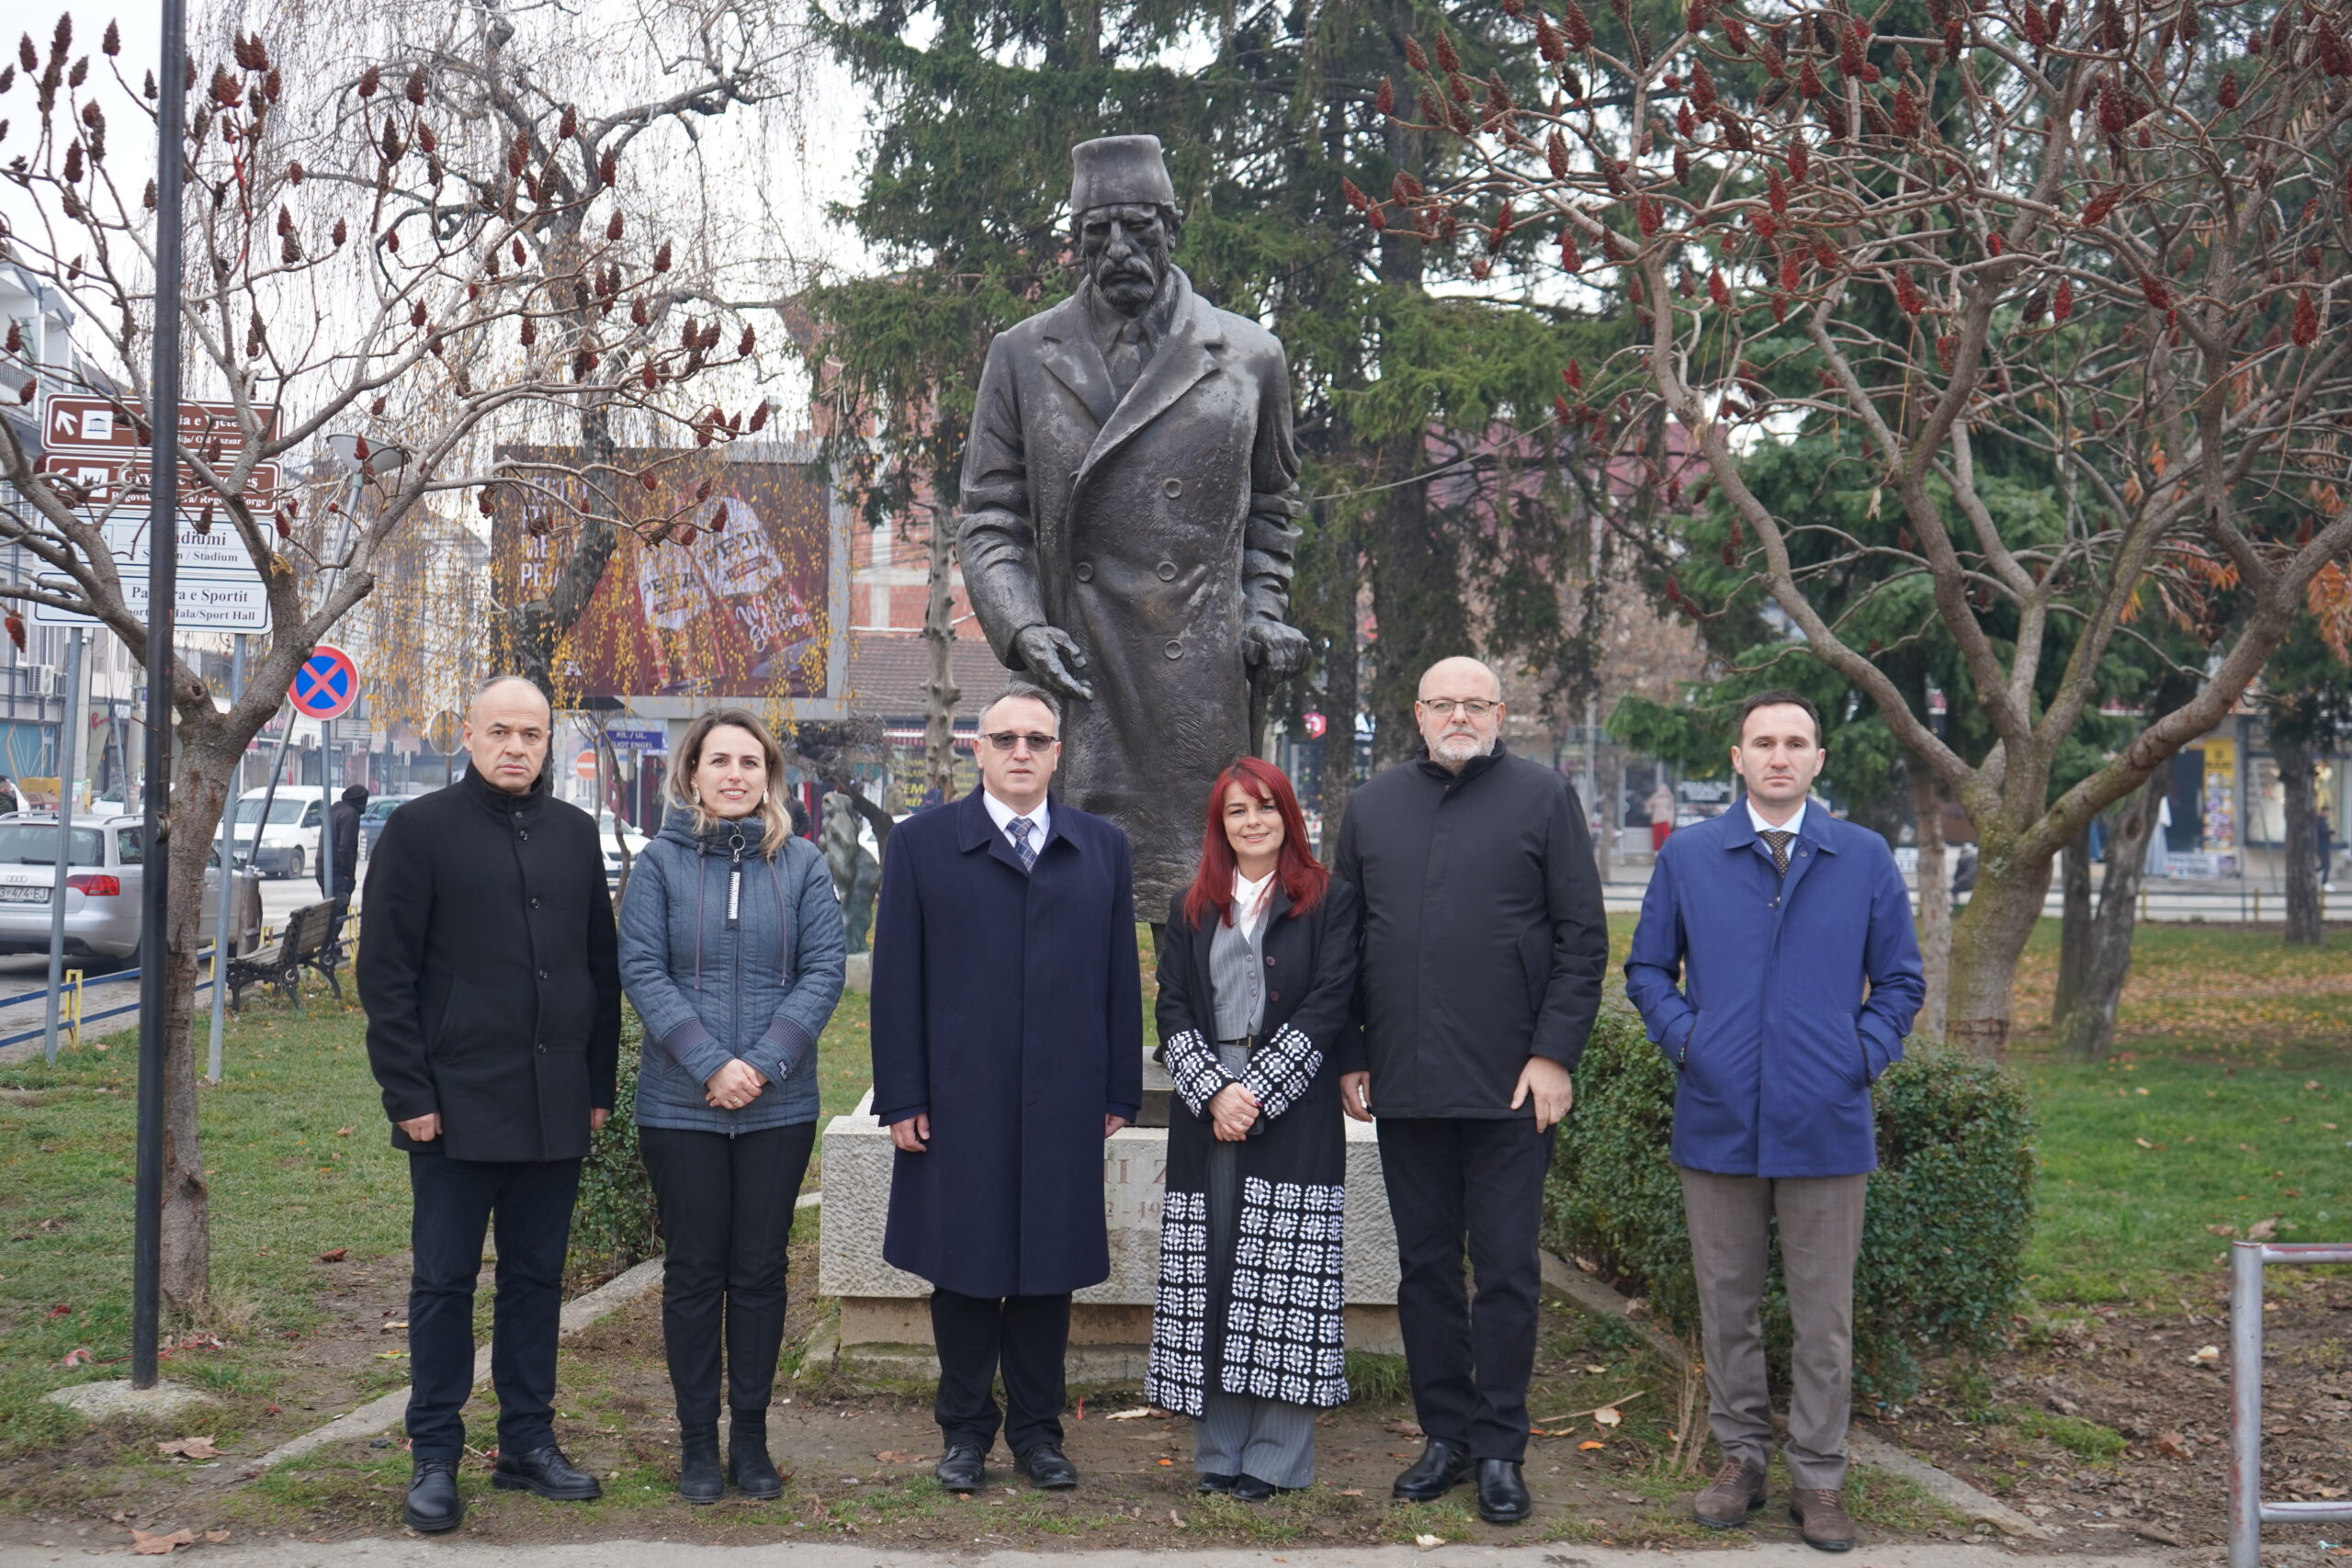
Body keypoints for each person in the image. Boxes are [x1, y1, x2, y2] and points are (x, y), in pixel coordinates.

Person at [957, 133, 1312, 922]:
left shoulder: (1251, 356)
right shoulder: (1021, 356)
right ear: (1076, 245)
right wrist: (1021, 629)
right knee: (1079, 919)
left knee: (1200, 920)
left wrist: (1262, 614)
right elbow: (988, 518)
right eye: (1098, 233)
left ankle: (1203, 1050)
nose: (1119, 249)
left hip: (1201, 684)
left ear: (1173, 227)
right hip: (1082, 676)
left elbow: (1274, 510)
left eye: (1139, 228)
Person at [1623, 690, 1924, 1553]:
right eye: (1765, 742)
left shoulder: (1862, 857)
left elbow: (1901, 981)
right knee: (1729, 1305)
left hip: (1828, 1123)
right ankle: (1741, 1460)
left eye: (1796, 742)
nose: (1780, 755)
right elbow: (1648, 970)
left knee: (1824, 1312)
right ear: (1738, 756)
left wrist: (1857, 1057)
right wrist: (1693, 1044)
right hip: (1717, 1119)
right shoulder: (1690, 856)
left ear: (1819, 760)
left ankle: (1820, 1477)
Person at [1332, 656, 1609, 1525]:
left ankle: (1499, 1446)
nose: (1459, 715)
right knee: (1424, 1272)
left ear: (1501, 712)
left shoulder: (1542, 797)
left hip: (1512, 1084)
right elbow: (1342, 942)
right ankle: (1443, 1435)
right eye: (1443, 703)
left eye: (1475, 703)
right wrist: (1350, 1051)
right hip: (1406, 1080)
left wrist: (1554, 1054)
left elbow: (1581, 937)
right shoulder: (1372, 806)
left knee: (1506, 1270)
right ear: (1417, 714)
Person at [357, 675, 622, 1535]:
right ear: (467, 736)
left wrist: (594, 1087)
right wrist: (409, 1093)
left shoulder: (577, 835)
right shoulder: (420, 830)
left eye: (532, 734)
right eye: (500, 731)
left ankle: (527, 1442)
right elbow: (386, 975)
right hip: (453, 1107)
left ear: (551, 742)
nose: (516, 746)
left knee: (536, 1281)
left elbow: (598, 972)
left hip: (553, 1105)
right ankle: (434, 1453)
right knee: (443, 1284)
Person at [869, 683, 1143, 1495]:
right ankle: (963, 1434)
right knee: (962, 1267)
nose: (1021, 750)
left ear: (1059, 754)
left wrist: (1118, 1088)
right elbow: (895, 984)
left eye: (1037, 738)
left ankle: (1037, 1432)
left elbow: (1119, 981)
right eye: (1004, 737)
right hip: (959, 1096)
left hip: (1063, 1095)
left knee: (1044, 1269)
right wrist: (903, 1094)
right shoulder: (921, 845)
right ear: (975, 749)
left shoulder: (1102, 846)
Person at [617, 708, 846, 1504]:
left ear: (771, 777)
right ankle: (696, 1446)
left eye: (751, 761)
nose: (736, 774)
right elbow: (643, 969)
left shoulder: (805, 866)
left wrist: (765, 1062)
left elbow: (824, 970)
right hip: (681, 1106)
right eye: (720, 760)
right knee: (693, 1272)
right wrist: (713, 1064)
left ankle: (749, 1439)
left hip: (778, 1108)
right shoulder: (659, 866)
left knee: (758, 1270)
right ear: (692, 773)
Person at [1145, 757, 1361, 1502]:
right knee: (1217, 1274)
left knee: (1284, 1282)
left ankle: (1274, 1459)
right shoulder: (1192, 904)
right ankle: (1218, 1450)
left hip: (1293, 1111)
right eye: (1237, 811)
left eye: (1265, 807)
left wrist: (1259, 1090)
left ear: (1288, 815)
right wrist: (1212, 1092)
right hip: (1208, 1115)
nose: (1252, 821)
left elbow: (1332, 1000)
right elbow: (1171, 1006)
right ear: (1220, 824)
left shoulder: (1328, 899)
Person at [321, 784, 367, 899]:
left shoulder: (335, 809)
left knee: (330, 910)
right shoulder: (351, 814)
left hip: (323, 868)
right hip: (337, 872)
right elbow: (346, 847)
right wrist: (347, 874)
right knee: (339, 912)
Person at [1647, 779, 1678, 853]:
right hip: (1656, 819)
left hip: (1665, 818)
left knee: (1667, 836)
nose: (1663, 790)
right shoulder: (1656, 797)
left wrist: (1671, 820)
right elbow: (1649, 804)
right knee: (1656, 838)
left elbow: (1671, 809)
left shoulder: (1669, 797)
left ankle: (1669, 851)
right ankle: (1656, 853)